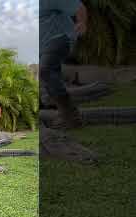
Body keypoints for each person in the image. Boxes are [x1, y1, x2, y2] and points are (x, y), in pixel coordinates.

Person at [39, 0, 88, 129]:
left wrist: (81, 22)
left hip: (60, 38)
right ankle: (66, 115)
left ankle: (70, 115)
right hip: (41, 47)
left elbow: (79, 7)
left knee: (46, 70)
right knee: (46, 75)